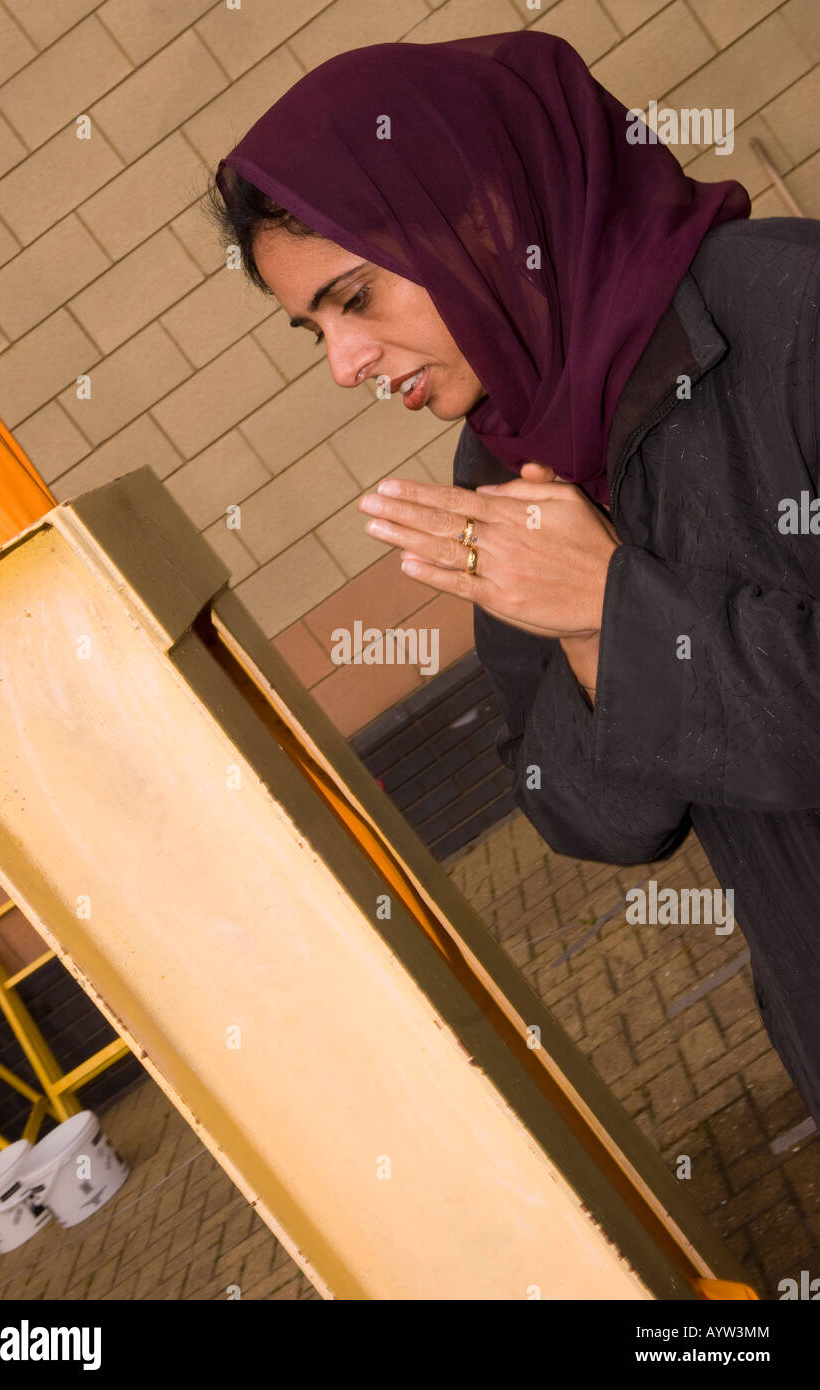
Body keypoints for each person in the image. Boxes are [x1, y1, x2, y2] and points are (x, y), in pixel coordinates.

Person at [208, 29, 820, 1134]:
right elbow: (590, 819)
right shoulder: (498, 464)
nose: (345, 365)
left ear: (483, 216)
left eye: (355, 299)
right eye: (312, 333)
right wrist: (592, 646)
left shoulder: (794, 314)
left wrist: (613, 611)